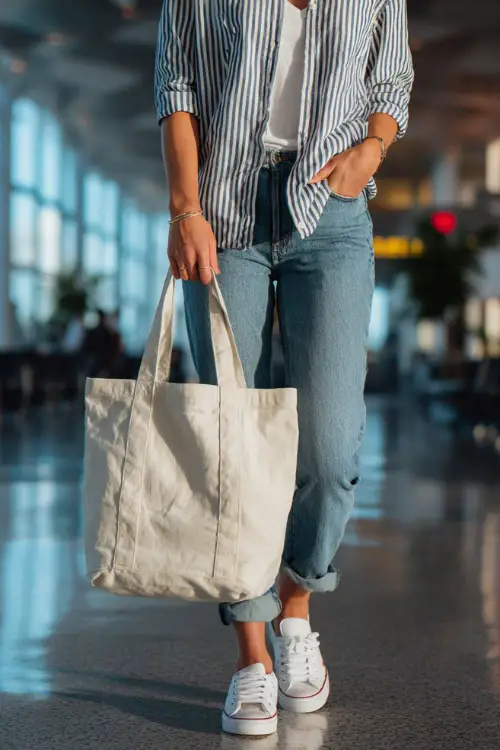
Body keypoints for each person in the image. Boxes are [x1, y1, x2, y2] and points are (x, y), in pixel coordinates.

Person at [155, 0, 413, 737]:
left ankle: (295, 609)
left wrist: (371, 151)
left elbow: (391, 80)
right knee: (229, 441)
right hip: (226, 210)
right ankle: (251, 656)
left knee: (330, 447)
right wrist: (184, 209)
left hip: (330, 215)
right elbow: (178, 88)